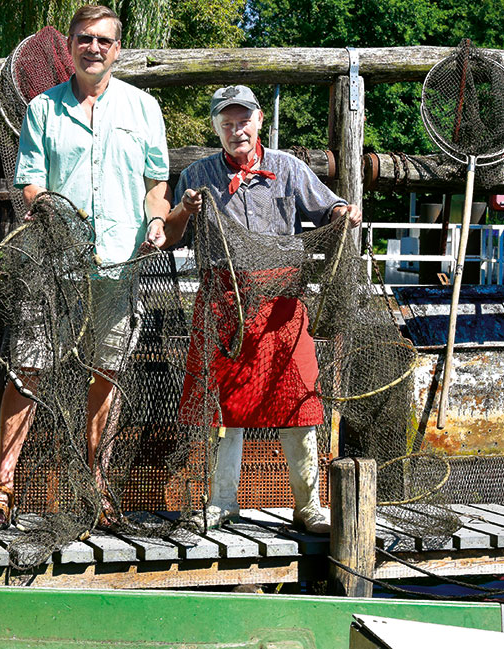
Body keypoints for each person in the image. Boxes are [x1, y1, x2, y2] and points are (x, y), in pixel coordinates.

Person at [0, 4, 171, 530]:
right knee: (27, 370)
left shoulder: (144, 108)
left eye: (104, 40)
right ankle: (3, 487)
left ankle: (97, 488)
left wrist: (156, 221)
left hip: (119, 265)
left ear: (117, 48)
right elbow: (29, 182)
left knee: (105, 373)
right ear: (69, 46)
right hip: (51, 267)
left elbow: (157, 185)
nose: (94, 48)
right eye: (84, 39)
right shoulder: (42, 109)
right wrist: (47, 208)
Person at [146, 85, 361, 533]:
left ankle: (309, 507)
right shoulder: (198, 173)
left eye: (243, 120)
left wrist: (344, 212)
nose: (235, 128)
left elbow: (329, 207)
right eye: (226, 122)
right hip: (223, 305)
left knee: (300, 400)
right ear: (216, 128)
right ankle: (222, 502)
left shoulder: (289, 168)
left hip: (282, 304)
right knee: (223, 407)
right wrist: (184, 209)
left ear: (259, 121)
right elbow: (172, 233)